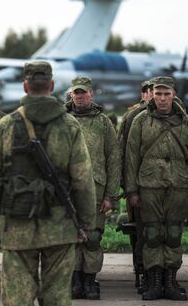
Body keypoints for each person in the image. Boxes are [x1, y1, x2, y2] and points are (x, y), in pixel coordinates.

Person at [0, 61, 96, 306]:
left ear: (25, 86)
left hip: (16, 222)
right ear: (52, 85)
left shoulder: (6, 125)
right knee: (56, 296)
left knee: (17, 297)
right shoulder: (69, 125)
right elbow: (83, 179)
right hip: (61, 223)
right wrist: (84, 222)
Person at [125, 76, 188, 301]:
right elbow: (131, 158)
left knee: (174, 234)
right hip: (149, 186)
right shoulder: (140, 121)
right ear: (152, 95)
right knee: (152, 235)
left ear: (173, 95)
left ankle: (170, 282)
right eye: (158, 94)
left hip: (179, 186)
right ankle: (155, 282)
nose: (162, 98)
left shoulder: (186, 122)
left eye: (166, 94)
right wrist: (132, 192)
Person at [66, 76, 121, 300]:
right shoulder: (61, 120)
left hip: (96, 189)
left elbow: (113, 159)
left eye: (83, 92)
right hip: (67, 190)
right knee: (71, 237)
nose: (79, 96)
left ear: (91, 94)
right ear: (71, 94)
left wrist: (111, 195)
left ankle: (90, 281)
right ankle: (74, 280)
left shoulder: (103, 122)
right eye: (76, 93)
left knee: (92, 238)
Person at [118, 79, 153, 293]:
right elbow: (123, 152)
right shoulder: (132, 116)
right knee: (140, 233)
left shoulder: (178, 116)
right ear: (143, 95)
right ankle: (141, 270)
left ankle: (160, 275)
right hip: (138, 184)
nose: (151, 95)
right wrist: (127, 185)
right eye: (148, 91)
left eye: (155, 91)